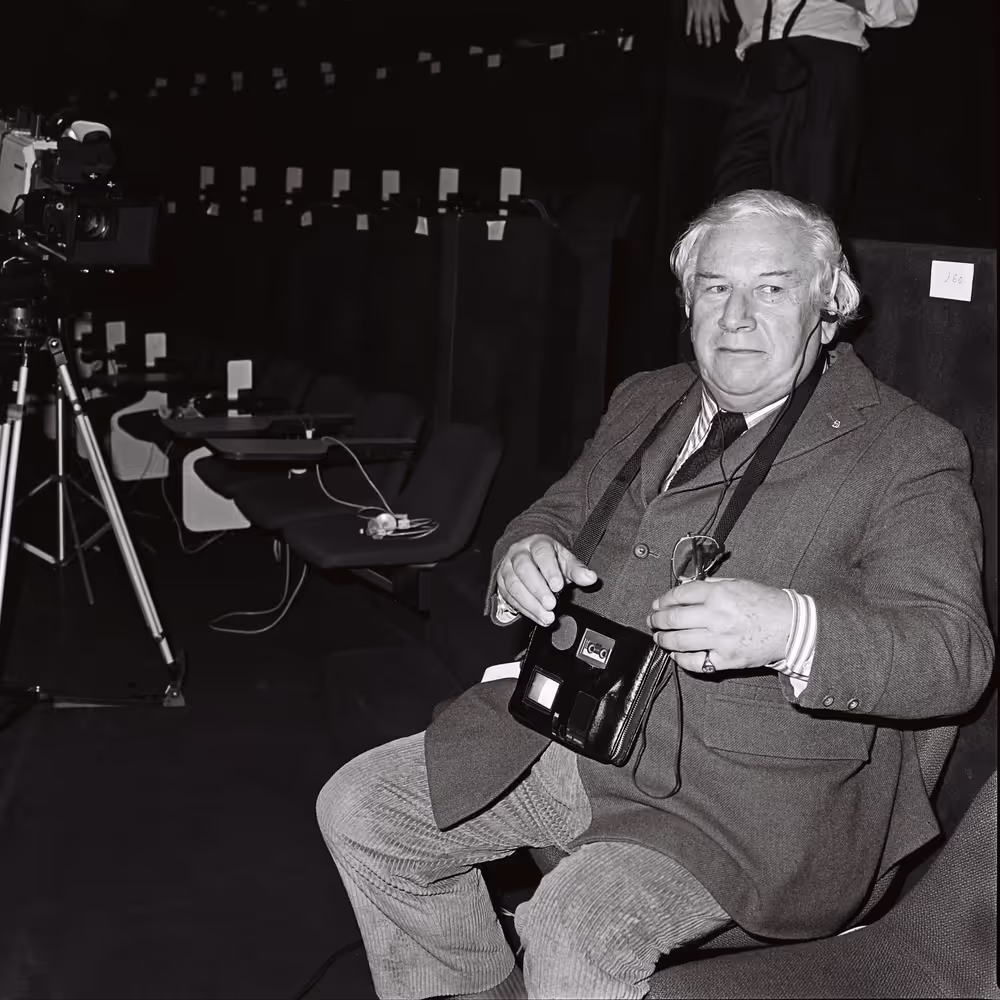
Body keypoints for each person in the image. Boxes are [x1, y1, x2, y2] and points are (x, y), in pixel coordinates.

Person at [316, 189, 993, 1000]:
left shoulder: (906, 449)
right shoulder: (645, 397)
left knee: (571, 926)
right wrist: (523, 553)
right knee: (363, 809)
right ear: (687, 302)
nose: (736, 317)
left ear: (828, 308)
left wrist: (790, 628)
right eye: (716, 287)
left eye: (772, 288)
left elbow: (953, 654)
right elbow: (557, 511)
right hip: (577, 730)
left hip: (744, 806)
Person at [687, 0, 918, 222]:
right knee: (732, 207)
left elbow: (902, 7)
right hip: (756, 65)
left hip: (822, 59)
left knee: (809, 212)